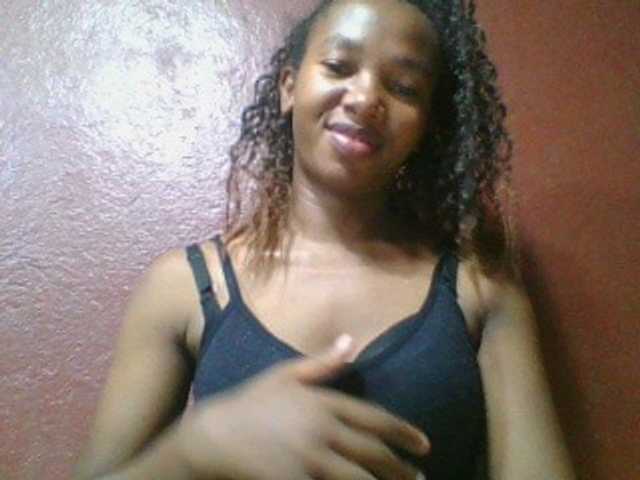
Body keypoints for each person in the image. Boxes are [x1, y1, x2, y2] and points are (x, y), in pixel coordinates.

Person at [74, 0, 576, 478]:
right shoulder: (183, 288)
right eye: (338, 67)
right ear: (289, 87)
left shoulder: (480, 291)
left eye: (404, 87)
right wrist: (199, 447)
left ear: (427, 125)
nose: (366, 98)